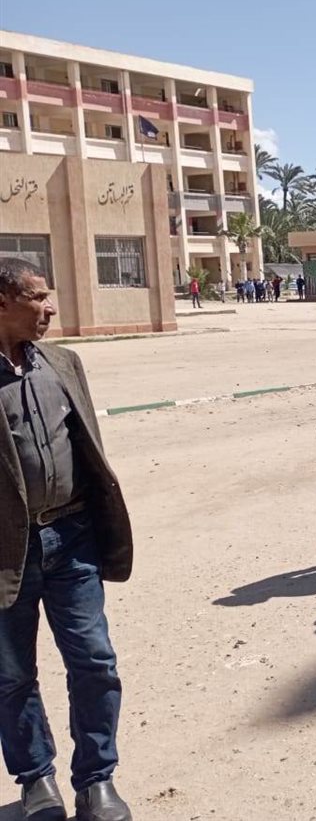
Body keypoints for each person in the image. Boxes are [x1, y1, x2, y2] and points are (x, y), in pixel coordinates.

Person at [0, 258, 134, 821]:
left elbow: (88, 448)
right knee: (11, 674)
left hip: (72, 537)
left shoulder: (63, 364)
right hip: (6, 553)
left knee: (95, 661)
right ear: (2, 303)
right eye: (37, 297)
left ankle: (96, 780)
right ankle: (36, 779)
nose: (50, 308)